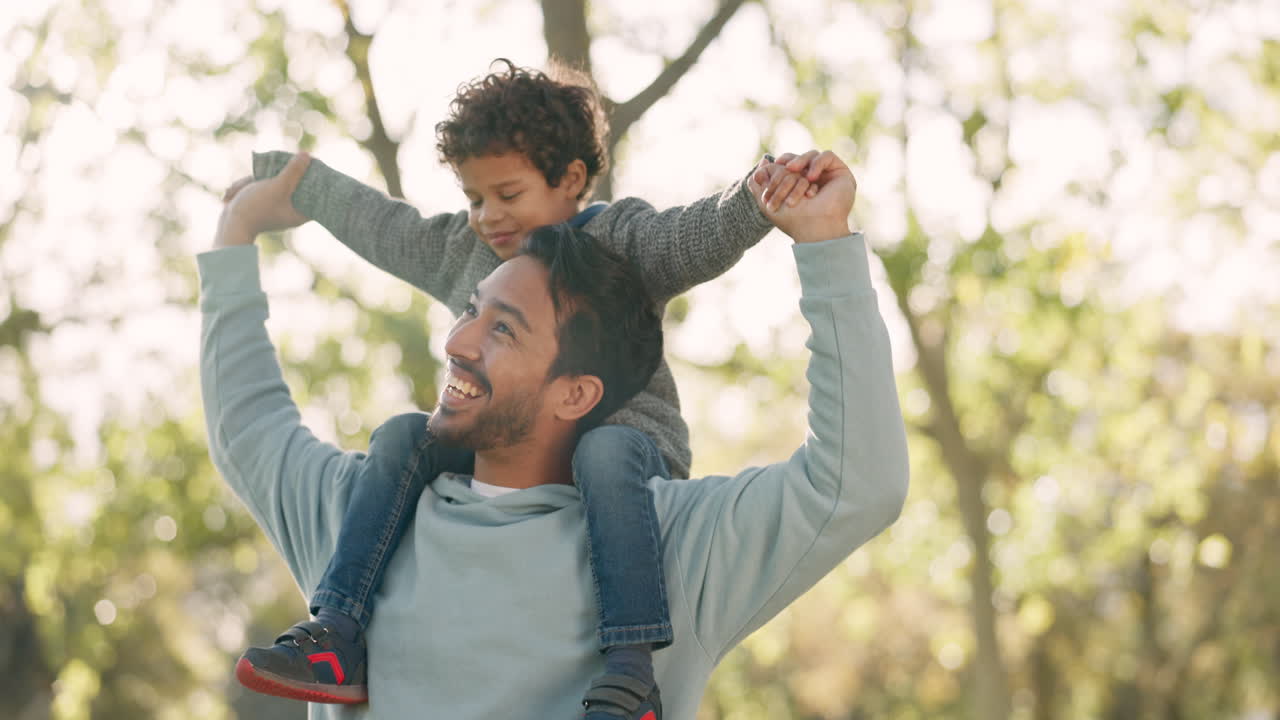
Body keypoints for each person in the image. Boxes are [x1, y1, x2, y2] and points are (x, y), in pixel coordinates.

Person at [199, 143, 909, 718]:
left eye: (503, 329)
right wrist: (234, 235)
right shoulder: (366, 521)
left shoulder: (671, 547)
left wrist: (825, 244)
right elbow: (247, 427)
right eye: (471, 309)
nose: (458, 341)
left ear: (576, 392)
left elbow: (859, 482)